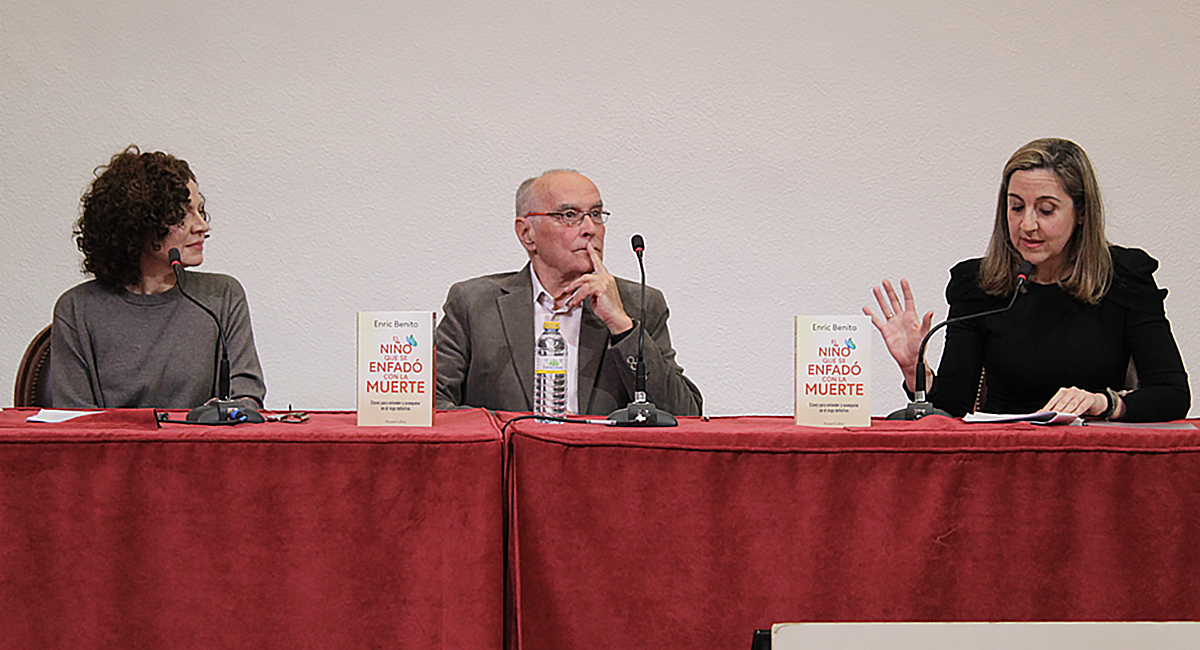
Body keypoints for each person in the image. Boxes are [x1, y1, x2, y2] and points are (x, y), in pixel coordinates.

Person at [865, 138, 1189, 421]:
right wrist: (914, 370)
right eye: (1016, 208)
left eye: (1046, 210)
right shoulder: (977, 285)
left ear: (1081, 214)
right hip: (1006, 462)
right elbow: (954, 406)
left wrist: (1102, 402)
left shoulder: (1124, 277)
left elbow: (1172, 393)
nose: (1027, 225)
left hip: (1095, 460)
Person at [436, 169, 703, 416]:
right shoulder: (474, 304)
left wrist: (622, 327)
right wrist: (513, 432)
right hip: (509, 464)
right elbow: (434, 406)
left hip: (602, 463)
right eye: (569, 216)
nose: (590, 229)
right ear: (527, 233)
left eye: (596, 214)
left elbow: (685, 415)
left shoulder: (639, 303)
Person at [50, 146, 266, 409]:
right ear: (139, 222)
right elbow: (73, 423)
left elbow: (246, 395)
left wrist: (231, 410)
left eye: (200, 210)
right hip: (110, 450)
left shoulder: (222, 296)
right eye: (183, 214)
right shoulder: (77, 309)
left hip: (199, 447)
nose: (202, 226)